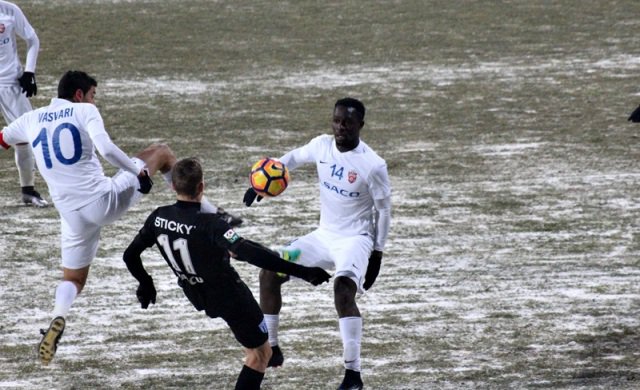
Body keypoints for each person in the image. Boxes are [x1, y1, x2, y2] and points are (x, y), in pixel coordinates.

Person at [0, 70, 236, 365]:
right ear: (79, 95)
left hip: (70, 214)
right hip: (103, 200)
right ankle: (213, 213)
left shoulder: (30, 119)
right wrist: (138, 171)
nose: (94, 102)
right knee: (161, 153)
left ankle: (58, 318)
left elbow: (3, 138)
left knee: (73, 278)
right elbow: (107, 149)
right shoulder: (83, 111)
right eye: (93, 96)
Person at [122, 157, 331, 390]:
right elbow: (248, 254)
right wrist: (302, 271)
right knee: (262, 354)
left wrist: (145, 283)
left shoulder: (158, 216)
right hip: (230, 296)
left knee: (252, 347)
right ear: (202, 186)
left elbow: (129, 255)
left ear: (173, 186)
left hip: (196, 293)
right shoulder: (212, 224)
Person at [243, 97, 392, 390]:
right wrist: (259, 183)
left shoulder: (373, 165)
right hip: (323, 236)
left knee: (343, 291)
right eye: (337, 120)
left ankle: (353, 376)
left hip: (355, 240)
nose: (341, 127)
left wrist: (377, 254)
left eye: (348, 122)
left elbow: (384, 211)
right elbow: (293, 158)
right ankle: (271, 347)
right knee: (270, 271)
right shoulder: (322, 145)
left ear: (360, 125)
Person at [0, 1, 47, 206]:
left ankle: (28, 191)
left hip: (11, 82)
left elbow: (32, 40)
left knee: (25, 136)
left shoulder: (9, 10)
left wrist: (29, 71)